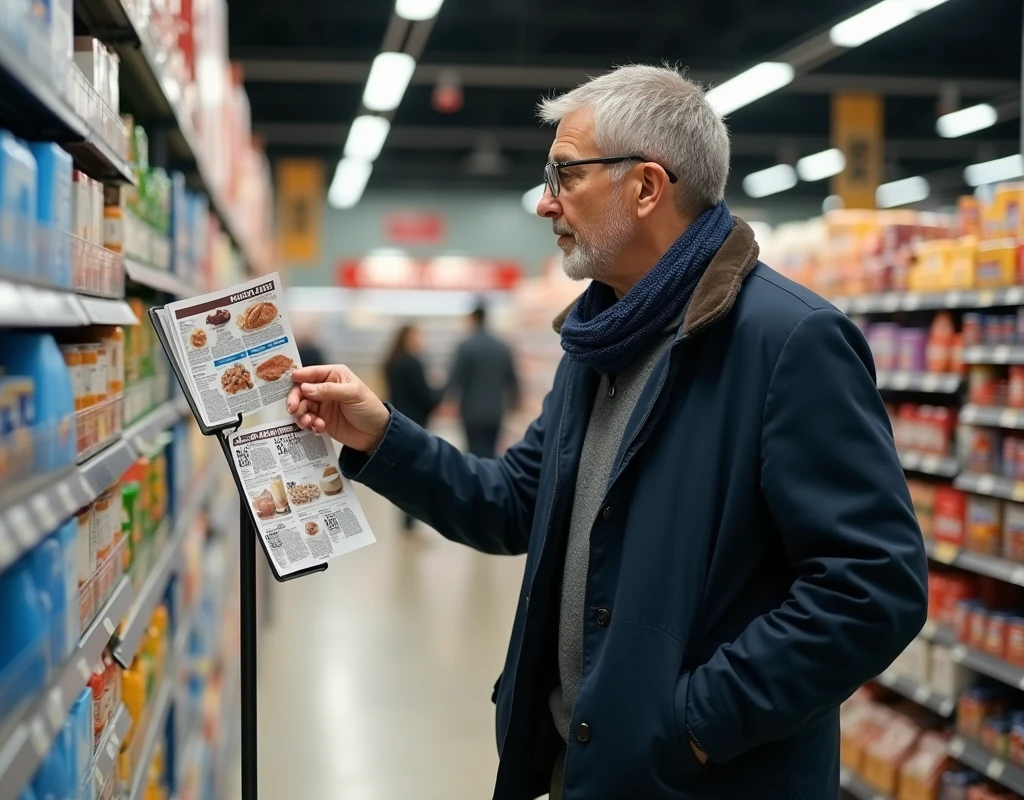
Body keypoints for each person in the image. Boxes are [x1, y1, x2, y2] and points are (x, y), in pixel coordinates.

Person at [285, 64, 926, 800]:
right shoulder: (600, 341)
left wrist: (693, 725)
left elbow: (873, 588)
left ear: (647, 187)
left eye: (564, 175)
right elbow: (515, 501)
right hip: (585, 769)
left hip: (696, 781)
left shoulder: (788, 341)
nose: (544, 203)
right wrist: (381, 435)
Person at [382, 323, 441, 531]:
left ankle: (406, 525)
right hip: (414, 424)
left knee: (402, 474)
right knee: (415, 475)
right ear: (408, 338)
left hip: (395, 422)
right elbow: (426, 398)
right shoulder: (413, 363)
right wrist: (440, 389)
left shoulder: (392, 362)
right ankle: (410, 526)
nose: (421, 341)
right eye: (418, 336)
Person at [446, 303, 518, 458]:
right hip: (495, 411)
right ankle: (492, 480)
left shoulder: (465, 347)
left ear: (474, 319)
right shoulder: (502, 346)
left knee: (473, 454)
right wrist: (514, 405)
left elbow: (455, 380)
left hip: (471, 411)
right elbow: (511, 380)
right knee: (491, 452)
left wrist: (441, 399)